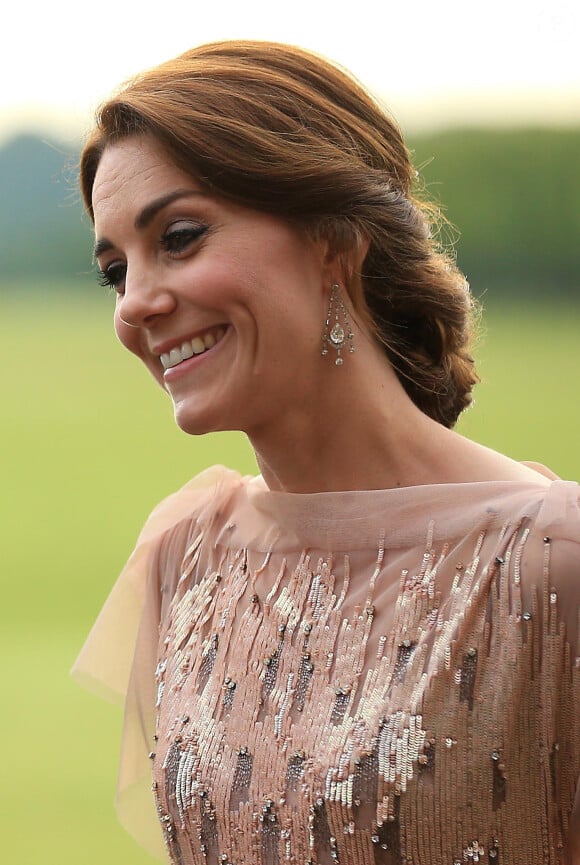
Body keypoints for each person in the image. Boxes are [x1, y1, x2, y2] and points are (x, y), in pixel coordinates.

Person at [72, 40, 579, 865]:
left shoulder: (550, 563)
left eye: (181, 236)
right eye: (113, 271)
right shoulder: (187, 552)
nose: (137, 304)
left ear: (333, 241)